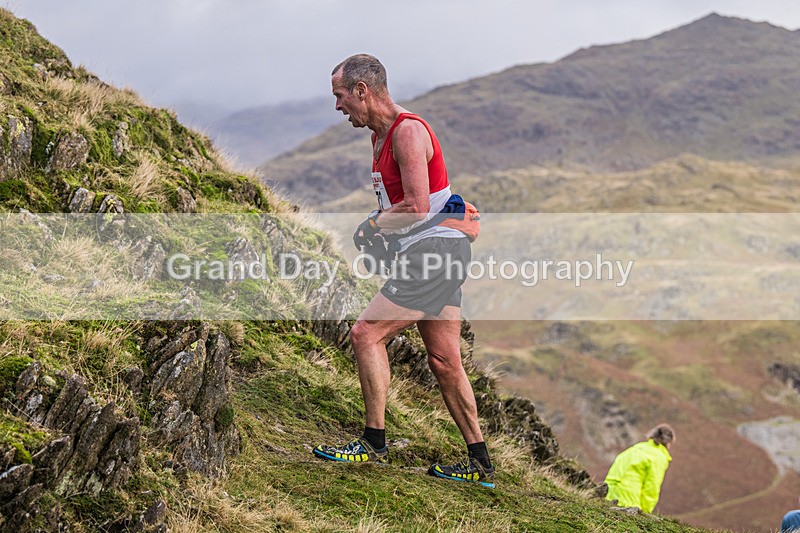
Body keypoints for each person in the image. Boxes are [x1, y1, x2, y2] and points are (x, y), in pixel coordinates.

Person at [312, 54, 494, 488]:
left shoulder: (407, 132)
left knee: (365, 334)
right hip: (436, 251)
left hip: (434, 252)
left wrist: (371, 226)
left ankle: (374, 443)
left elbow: (414, 206)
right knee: (445, 361)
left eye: (340, 96)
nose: (338, 107)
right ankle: (480, 464)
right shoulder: (379, 137)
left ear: (362, 91)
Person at [603, 423, 675, 513]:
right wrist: (645, 511)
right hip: (628, 499)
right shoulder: (658, 456)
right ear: (668, 442)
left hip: (608, 493)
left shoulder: (637, 448)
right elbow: (652, 487)